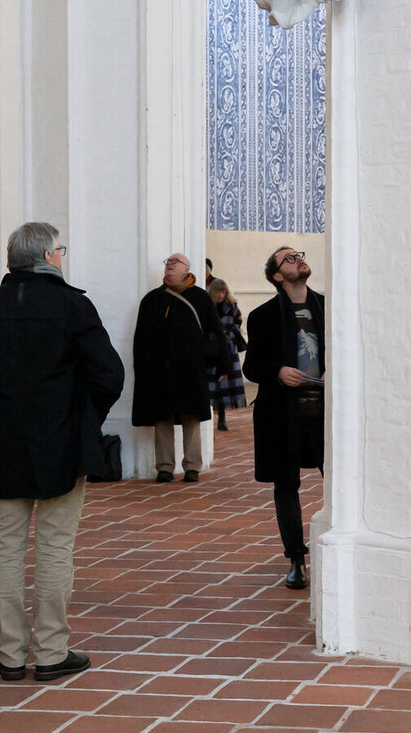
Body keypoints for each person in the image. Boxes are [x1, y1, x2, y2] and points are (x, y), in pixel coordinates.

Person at [0, 222, 124, 683]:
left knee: (6, 550)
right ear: (49, 257)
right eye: (60, 251)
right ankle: (51, 651)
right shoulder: (72, 304)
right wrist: (85, 421)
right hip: (63, 445)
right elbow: (108, 373)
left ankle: (11, 653)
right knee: (54, 548)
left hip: (2, 446)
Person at [243, 246, 324, 590]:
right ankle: (296, 558)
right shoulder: (262, 316)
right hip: (285, 415)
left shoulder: (328, 306)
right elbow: (251, 366)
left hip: (325, 415)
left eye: (298, 255)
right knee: (286, 485)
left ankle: (339, 550)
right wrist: (278, 372)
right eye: (288, 258)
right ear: (277, 276)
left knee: (339, 481)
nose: (298, 259)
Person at [131, 253, 233, 483]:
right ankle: (165, 467)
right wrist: (141, 369)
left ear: (187, 269)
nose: (169, 265)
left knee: (192, 416)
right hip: (159, 370)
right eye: (167, 262)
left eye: (174, 263)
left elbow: (216, 332)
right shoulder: (152, 299)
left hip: (191, 368)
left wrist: (223, 365)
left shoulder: (200, 297)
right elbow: (141, 338)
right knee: (162, 417)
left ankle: (192, 466)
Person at [208, 278, 247, 431]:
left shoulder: (231, 306)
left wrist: (230, 332)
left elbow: (238, 321)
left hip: (228, 347)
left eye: (223, 292)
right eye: (219, 292)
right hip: (211, 348)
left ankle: (222, 418)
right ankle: (213, 418)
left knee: (225, 385)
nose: (221, 295)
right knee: (213, 384)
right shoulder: (208, 306)